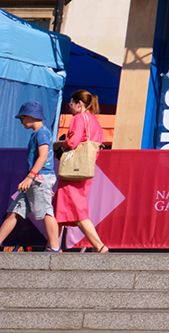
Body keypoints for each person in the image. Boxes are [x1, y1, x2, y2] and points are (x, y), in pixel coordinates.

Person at [54, 91, 110, 253]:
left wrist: (57, 144)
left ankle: (99, 245)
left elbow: (72, 142)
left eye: (71, 103)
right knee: (60, 211)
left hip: (72, 171)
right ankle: (53, 246)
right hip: (84, 169)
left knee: (77, 212)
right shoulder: (94, 121)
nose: (69, 106)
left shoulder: (79, 119)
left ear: (79, 104)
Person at [0, 103, 59, 252]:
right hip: (34, 180)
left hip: (39, 179)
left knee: (46, 211)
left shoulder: (42, 133)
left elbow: (44, 156)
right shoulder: (38, 133)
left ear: (31, 116)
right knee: (14, 212)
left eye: (22, 117)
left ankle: (55, 247)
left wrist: (30, 177)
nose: (21, 121)